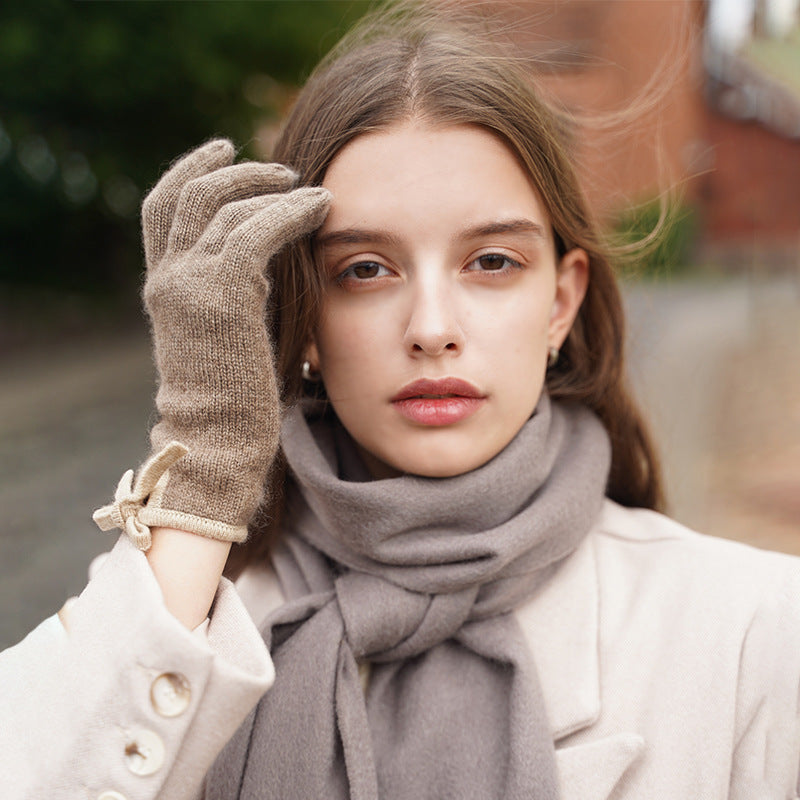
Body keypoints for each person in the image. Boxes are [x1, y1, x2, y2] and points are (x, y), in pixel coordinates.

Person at [3, 6, 800, 800]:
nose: (432, 329)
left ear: (561, 304)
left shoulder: (753, 631)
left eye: (492, 261)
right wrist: (200, 480)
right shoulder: (176, 614)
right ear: (304, 319)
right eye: (364, 270)